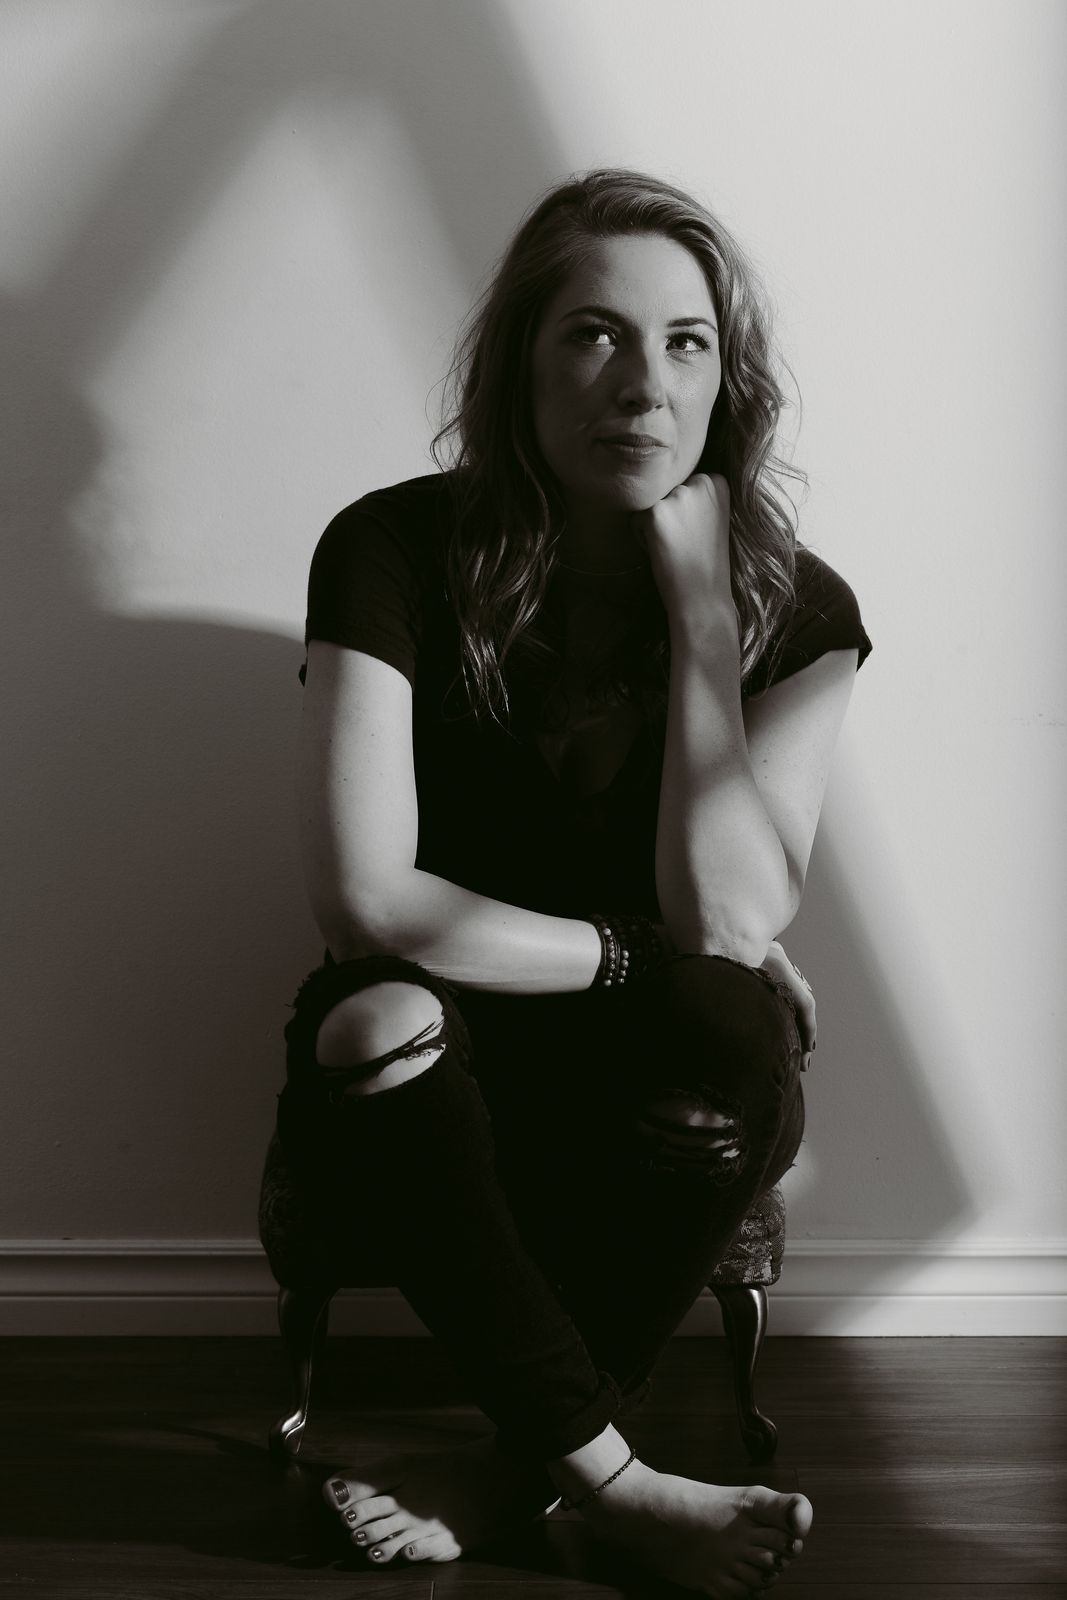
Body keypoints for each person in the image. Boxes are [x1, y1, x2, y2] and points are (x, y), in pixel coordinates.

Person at [278, 169, 872, 1597]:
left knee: (733, 1021)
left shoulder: (802, 610)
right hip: (442, 1055)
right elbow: (367, 906)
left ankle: (510, 1472)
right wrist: (635, 953)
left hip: (659, 1083)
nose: (642, 383)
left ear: (727, 382)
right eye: (594, 334)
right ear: (521, 366)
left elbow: (730, 927)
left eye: (686, 343)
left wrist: (704, 614)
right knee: (373, 1016)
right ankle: (613, 1483)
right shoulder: (389, 549)